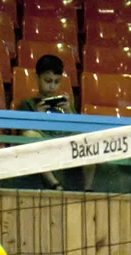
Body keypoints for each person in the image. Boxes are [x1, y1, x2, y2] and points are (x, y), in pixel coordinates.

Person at [17, 54, 96, 192]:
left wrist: (69, 113)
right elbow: (24, 133)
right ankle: (54, 184)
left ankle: (88, 188)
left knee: (89, 137)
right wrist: (37, 116)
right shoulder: (27, 104)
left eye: (56, 82)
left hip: (64, 143)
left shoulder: (65, 105)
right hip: (43, 143)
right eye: (48, 81)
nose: (52, 86)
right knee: (30, 135)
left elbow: (78, 128)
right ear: (37, 78)